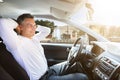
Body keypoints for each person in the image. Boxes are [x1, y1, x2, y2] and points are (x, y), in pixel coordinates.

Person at [0, 13, 88, 80]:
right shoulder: (16, 42)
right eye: (29, 25)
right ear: (20, 27)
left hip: (49, 70)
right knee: (82, 77)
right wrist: (16, 25)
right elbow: (2, 23)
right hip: (43, 78)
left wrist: (35, 26)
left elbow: (47, 30)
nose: (33, 28)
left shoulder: (34, 38)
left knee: (76, 64)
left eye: (34, 25)